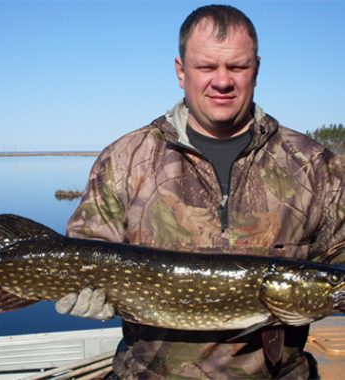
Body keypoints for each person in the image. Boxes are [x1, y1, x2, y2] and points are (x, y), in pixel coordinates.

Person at [55, 5, 345, 380]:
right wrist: (83, 293)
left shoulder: (315, 165)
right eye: (207, 67)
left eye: (237, 67)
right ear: (181, 71)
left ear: (256, 69)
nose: (222, 81)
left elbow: (338, 265)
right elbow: (84, 248)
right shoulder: (126, 158)